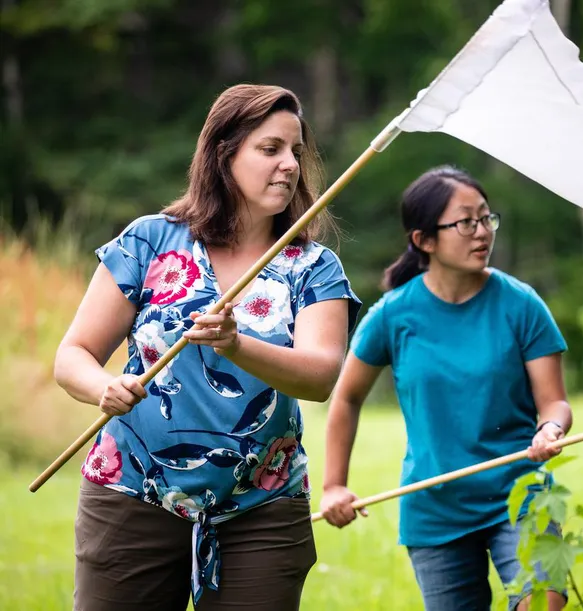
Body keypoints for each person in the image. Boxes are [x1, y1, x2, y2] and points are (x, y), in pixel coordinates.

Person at [54, 84, 361, 610]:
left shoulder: (313, 267)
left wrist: (236, 345)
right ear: (224, 154)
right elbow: (72, 356)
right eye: (271, 149)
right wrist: (106, 386)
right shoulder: (149, 242)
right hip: (132, 493)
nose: (290, 164)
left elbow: (319, 376)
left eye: (296, 150)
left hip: (262, 506)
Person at [319, 166, 573, 611]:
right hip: (434, 508)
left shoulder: (521, 304)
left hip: (520, 490)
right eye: (465, 222)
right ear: (424, 240)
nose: (482, 233)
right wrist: (333, 485)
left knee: (542, 602)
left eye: (486, 219)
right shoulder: (393, 315)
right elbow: (346, 396)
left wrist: (549, 428)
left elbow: (553, 402)